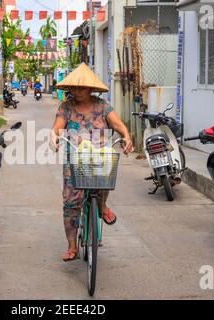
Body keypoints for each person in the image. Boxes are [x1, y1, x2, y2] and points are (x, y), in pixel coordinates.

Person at [50, 63, 134, 262]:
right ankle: (72, 246)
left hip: (99, 158)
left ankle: (102, 206)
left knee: (103, 182)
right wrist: (53, 137)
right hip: (74, 161)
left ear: (90, 88)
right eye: (75, 87)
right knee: (71, 203)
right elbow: (56, 127)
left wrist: (127, 136)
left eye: (82, 87)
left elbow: (118, 124)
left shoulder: (103, 106)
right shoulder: (66, 107)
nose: (78, 90)